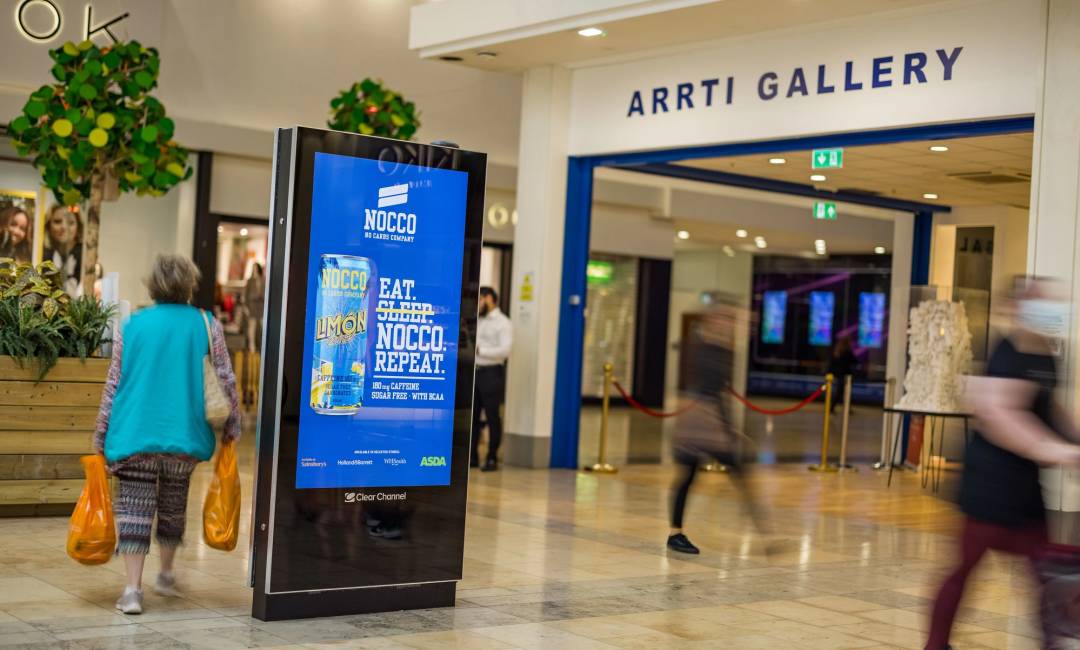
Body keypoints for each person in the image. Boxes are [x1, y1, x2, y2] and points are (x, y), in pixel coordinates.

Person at [925, 277, 1080, 649]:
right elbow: (1000, 416)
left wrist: (1074, 439)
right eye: (1036, 300)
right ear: (1015, 307)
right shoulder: (1005, 353)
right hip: (989, 488)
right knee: (964, 570)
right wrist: (1053, 450)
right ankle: (935, 645)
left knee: (1045, 577)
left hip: (1025, 490)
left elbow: (1049, 405)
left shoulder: (1046, 351)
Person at [93, 255, 241, 615]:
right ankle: (166, 574)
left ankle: (131, 591)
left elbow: (114, 383)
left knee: (134, 507)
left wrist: (100, 432)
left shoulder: (133, 325)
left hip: (134, 431)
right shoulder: (206, 323)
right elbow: (225, 376)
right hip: (184, 433)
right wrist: (233, 423)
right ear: (189, 285)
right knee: (174, 502)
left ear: (153, 286)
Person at [668, 296, 770, 555]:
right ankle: (762, 531)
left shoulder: (718, 348)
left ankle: (762, 530)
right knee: (704, 473)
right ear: (712, 320)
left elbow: (719, 391)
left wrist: (729, 426)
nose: (728, 323)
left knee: (722, 471)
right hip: (701, 419)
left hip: (705, 419)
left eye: (730, 319)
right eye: (723, 318)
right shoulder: (705, 347)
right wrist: (727, 427)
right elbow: (710, 389)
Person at [472, 287, 512, 472]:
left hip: (492, 373)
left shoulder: (503, 323)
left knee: (492, 416)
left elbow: (505, 351)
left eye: (480, 299)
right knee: (472, 416)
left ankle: (492, 457)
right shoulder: (479, 319)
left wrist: (481, 351)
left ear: (489, 298)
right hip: (475, 372)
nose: (478, 303)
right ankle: (472, 456)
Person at [43, 204, 82, 295]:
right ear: (48, 226)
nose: (64, 227)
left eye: (70, 222)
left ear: (78, 226)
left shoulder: (86, 255)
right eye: (57, 222)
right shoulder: (41, 254)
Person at [827, 335, 859, 413]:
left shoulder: (837, 352)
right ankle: (834, 408)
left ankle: (836, 408)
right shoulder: (847, 352)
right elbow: (855, 361)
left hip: (839, 375)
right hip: (846, 376)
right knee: (844, 393)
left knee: (840, 393)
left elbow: (832, 363)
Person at [243, 262, 266, 351]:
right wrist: (245, 306)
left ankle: (263, 345)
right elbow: (245, 295)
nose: (254, 269)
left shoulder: (263, 279)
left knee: (262, 325)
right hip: (252, 305)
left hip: (261, 305)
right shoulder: (249, 281)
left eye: (255, 268)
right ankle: (251, 345)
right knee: (251, 326)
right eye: (253, 268)